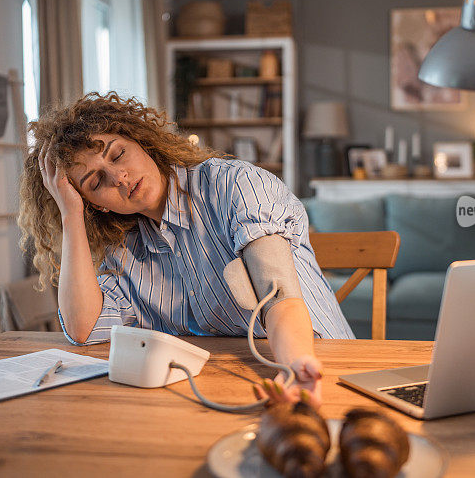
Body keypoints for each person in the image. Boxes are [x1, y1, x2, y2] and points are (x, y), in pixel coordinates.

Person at [18, 92, 354, 405]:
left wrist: (296, 367)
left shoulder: (233, 185)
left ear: (141, 141)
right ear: (95, 204)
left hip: (322, 369)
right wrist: (71, 213)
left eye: (117, 154)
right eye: (95, 183)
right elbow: (82, 329)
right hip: (223, 387)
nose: (118, 178)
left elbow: (279, 295)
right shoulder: (123, 249)